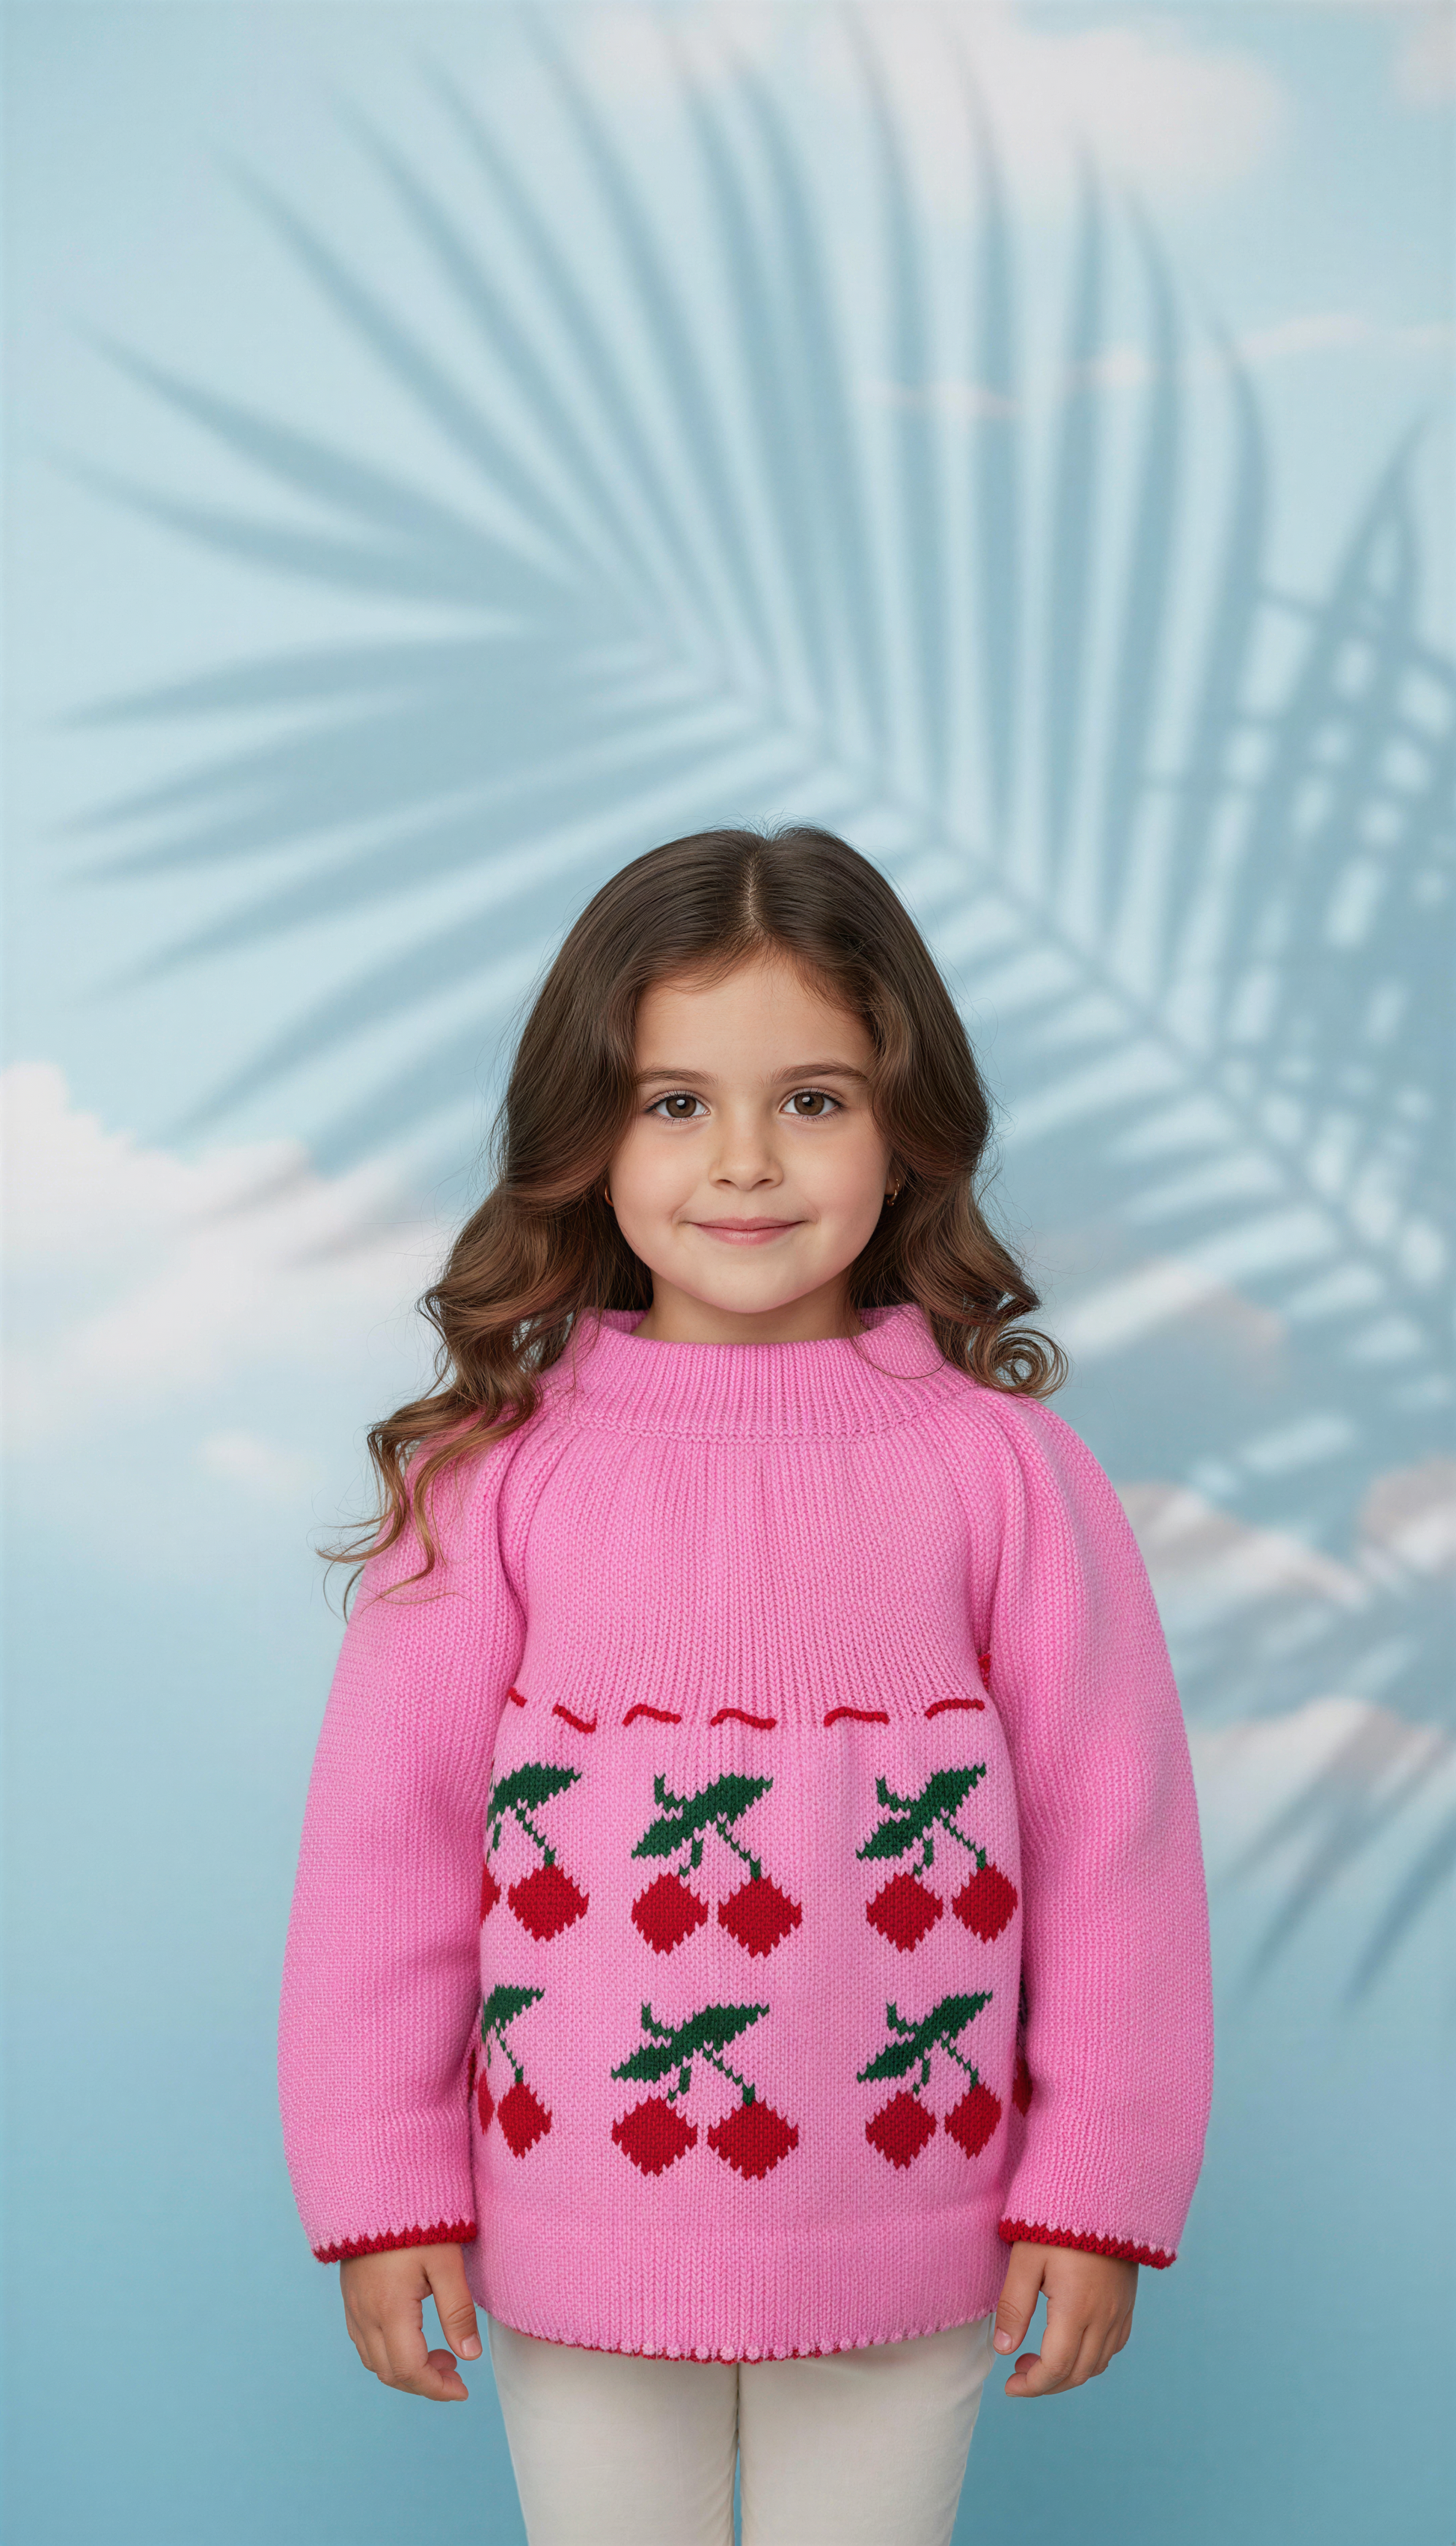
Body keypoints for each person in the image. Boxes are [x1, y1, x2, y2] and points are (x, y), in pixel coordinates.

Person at [278, 824, 1214, 2546]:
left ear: (904, 1127)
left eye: (814, 1098)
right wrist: (381, 2184)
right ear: (585, 1133)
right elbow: (383, 1856)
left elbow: (1117, 1849)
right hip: (569, 2220)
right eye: (672, 1101)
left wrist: (1096, 2193)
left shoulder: (1004, 1473)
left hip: (920, 2221)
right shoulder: (496, 1477)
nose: (745, 1164)